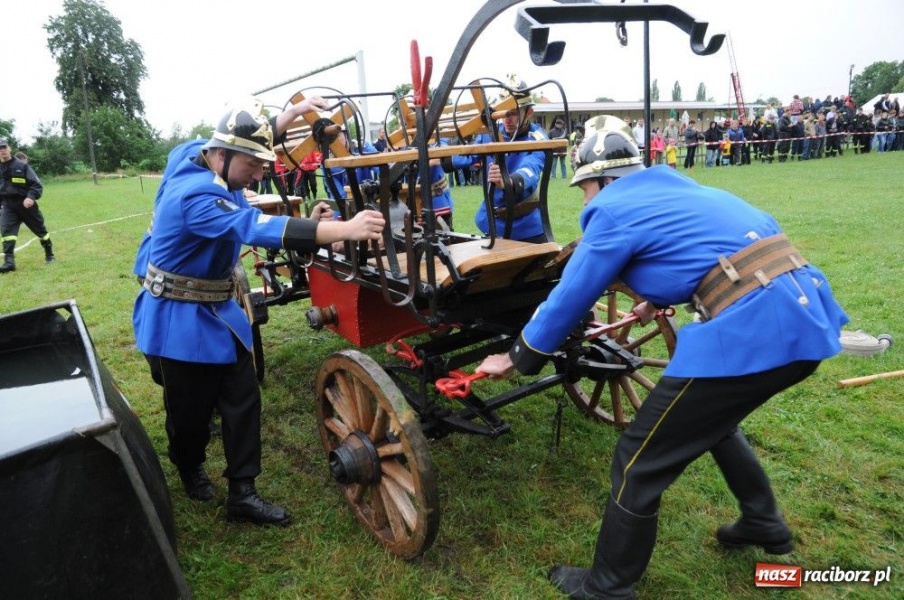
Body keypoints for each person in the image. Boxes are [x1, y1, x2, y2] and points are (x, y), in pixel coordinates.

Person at [476, 115, 848, 599]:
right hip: (805, 314)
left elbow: (572, 293)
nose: (586, 200)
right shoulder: (686, 191)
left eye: (585, 189)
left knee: (638, 460)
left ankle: (607, 587)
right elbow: (702, 253)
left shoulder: (610, 209)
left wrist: (517, 355)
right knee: (713, 419)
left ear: (603, 180)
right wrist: (656, 294)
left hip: (756, 328)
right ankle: (762, 520)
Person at [132, 98, 385, 526]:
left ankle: (242, 493)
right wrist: (342, 229)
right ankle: (189, 465)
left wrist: (292, 112)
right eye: (253, 165)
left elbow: (255, 135)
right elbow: (255, 227)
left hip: (218, 309)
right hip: (178, 318)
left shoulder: (193, 152)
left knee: (242, 399)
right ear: (223, 155)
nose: (260, 174)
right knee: (189, 414)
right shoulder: (196, 196)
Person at [445, 81, 550, 242]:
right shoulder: (490, 134)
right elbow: (467, 156)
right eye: (503, 113)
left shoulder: (537, 138)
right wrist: (440, 158)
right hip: (492, 223)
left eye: (513, 113)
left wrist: (507, 181)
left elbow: (531, 169)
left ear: (529, 111)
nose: (507, 119)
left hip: (527, 226)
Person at [0, 138, 55, 272]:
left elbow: (36, 185)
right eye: (0, 148)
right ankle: (9, 262)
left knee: (40, 230)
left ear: (9, 148)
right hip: (8, 205)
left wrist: (30, 197)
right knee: (7, 232)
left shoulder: (21, 165)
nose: (2, 150)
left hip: (26, 204)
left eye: (4, 147)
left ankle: (50, 254)